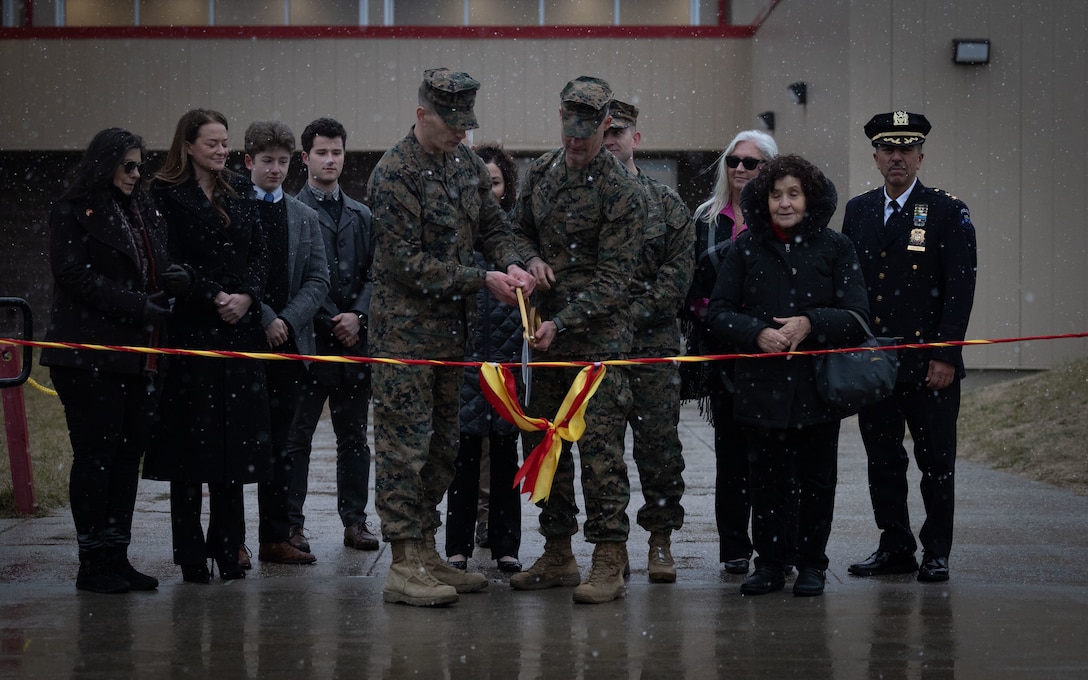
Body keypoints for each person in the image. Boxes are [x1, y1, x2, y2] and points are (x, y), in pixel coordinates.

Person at [367, 68, 534, 607]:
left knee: (443, 449)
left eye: (467, 123)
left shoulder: (464, 163)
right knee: (403, 451)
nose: (461, 134)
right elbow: (404, 262)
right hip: (405, 340)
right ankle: (401, 564)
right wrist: (479, 278)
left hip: (451, 340)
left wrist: (515, 260)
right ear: (422, 115)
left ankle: (426, 552)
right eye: (450, 124)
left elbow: (492, 225)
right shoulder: (394, 173)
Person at [509, 76, 646, 604]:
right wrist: (530, 259)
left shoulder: (623, 191)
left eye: (586, 135)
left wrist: (562, 321)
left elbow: (615, 282)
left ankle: (608, 556)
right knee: (547, 445)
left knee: (601, 450)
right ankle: (558, 550)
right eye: (568, 133)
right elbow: (516, 230)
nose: (575, 144)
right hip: (544, 340)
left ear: (606, 125)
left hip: (597, 344)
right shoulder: (541, 171)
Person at [706, 154, 870, 596]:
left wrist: (811, 323)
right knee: (767, 482)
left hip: (819, 389)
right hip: (760, 390)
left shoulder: (836, 247)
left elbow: (857, 316)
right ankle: (771, 565)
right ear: (765, 199)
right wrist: (756, 332)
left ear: (809, 198)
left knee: (818, 482)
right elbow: (717, 314)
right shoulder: (745, 249)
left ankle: (812, 564)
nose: (784, 203)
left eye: (793, 194)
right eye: (776, 194)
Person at [41, 127, 190, 593]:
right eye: (127, 165)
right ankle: (92, 562)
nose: (135, 173)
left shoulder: (142, 209)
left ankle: (116, 553)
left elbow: (157, 264)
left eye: (139, 165)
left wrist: (177, 278)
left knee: (127, 459)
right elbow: (72, 276)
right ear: (103, 164)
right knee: (96, 457)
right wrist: (135, 306)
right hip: (90, 358)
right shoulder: (72, 210)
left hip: (141, 356)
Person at [842, 111, 978, 584]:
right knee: (883, 461)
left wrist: (946, 354)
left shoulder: (945, 210)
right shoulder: (858, 210)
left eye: (906, 148)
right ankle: (895, 545)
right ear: (876, 156)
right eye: (887, 149)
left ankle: (936, 550)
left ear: (921, 155)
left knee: (936, 461)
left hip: (928, 364)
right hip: (876, 364)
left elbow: (959, 288)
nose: (896, 157)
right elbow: (850, 285)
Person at [143, 108, 271, 583]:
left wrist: (248, 297)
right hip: (194, 331)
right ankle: (190, 553)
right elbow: (167, 260)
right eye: (212, 143)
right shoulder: (165, 195)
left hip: (238, 334)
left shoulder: (241, 192)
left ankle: (228, 547)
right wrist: (212, 293)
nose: (221, 151)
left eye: (224, 143)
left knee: (233, 451)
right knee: (189, 451)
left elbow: (260, 256)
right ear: (189, 146)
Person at [602, 100, 694, 584]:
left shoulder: (665, 202)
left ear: (636, 138)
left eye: (619, 131)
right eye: (604, 130)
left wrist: (625, 317)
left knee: (659, 450)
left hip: (651, 347)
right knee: (602, 453)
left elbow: (675, 279)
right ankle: (610, 548)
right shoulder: (580, 202)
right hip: (596, 349)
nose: (611, 138)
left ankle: (660, 540)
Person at [681, 130, 778, 576]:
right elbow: (693, 291)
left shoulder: (785, 218)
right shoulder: (705, 220)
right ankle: (735, 548)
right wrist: (728, 323)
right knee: (733, 457)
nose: (740, 169)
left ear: (770, 169)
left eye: (751, 163)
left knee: (775, 460)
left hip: (775, 358)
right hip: (721, 356)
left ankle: (776, 548)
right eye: (733, 161)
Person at [285, 117, 378, 553]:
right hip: (308, 344)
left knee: (354, 438)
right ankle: (291, 524)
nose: (330, 160)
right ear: (305, 158)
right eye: (321, 152)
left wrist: (356, 316)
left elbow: (374, 276)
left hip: (354, 345)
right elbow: (295, 279)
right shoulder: (290, 212)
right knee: (297, 438)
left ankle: (355, 521)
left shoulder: (361, 216)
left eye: (337, 152)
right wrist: (329, 320)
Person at [242, 120, 329, 566]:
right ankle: (231, 540)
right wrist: (266, 317)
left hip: (289, 352)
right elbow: (233, 273)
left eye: (281, 162)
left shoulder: (304, 217)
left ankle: (275, 536)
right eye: (266, 162)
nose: (274, 170)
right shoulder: (233, 207)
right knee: (239, 446)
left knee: (281, 447)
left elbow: (318, 278)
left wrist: (288, 322)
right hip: (243, 343)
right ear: (248, 162)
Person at [444, 142, 525, 575]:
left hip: (507, 365)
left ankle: (505, 546)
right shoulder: (456, 235)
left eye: (494, 182)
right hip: (467, 362)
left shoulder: (513, 239)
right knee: (464, 459)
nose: (487, 191)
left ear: (505, 185)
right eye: (480, 183)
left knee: (505, 456)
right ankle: (456, 547)